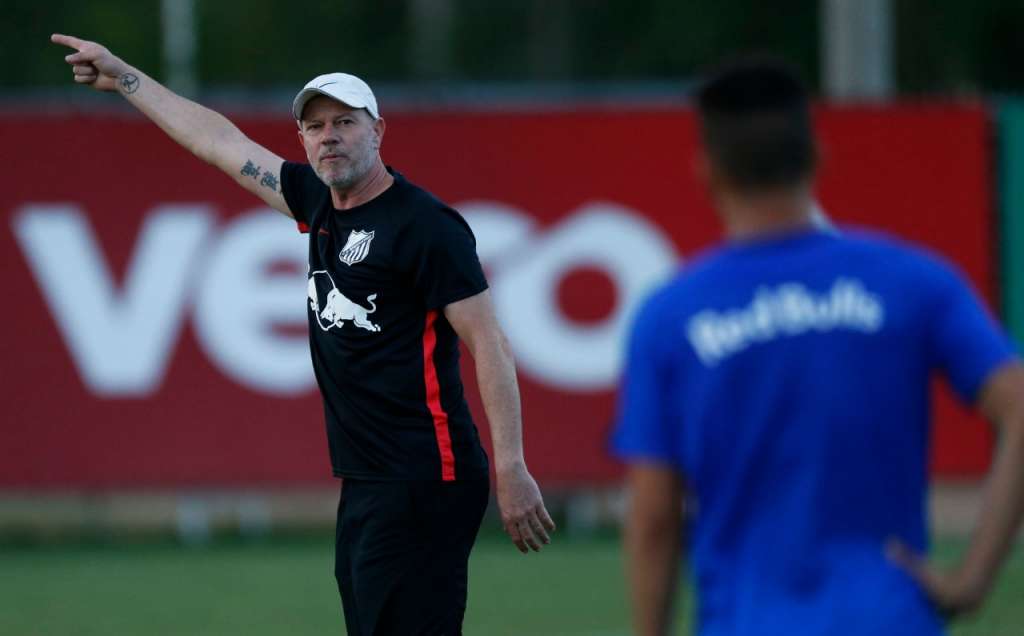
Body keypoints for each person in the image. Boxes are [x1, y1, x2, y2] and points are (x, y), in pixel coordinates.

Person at [52, 33, 555, 635]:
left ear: (378, 132)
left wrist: (512, 466)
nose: (328, 136)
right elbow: (219, 142)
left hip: (426, 476)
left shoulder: (426, 226)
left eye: (345, 121)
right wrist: (125, 77)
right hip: (370, 479)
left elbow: (491, 344)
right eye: (314, 126)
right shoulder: (317, 202)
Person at [612, 59, 1024, 636]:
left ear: (707, 173)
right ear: (817, 157)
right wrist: (972, 578)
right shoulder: (911, 280)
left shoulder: (670, 315)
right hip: (890, 618)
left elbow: (655, 517)